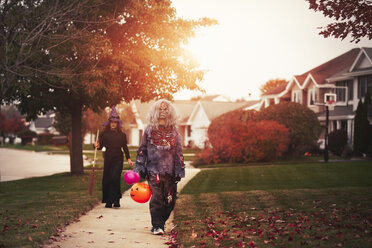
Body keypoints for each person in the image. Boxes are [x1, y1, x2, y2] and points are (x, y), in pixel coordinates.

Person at [133, 99, 185, 235]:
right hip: (153, 171)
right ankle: (157, 225)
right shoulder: (149, 130)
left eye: (165, 110)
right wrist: (140, 166)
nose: (162, 112)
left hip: (170, 172)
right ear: (155, 112)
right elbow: (142, 149)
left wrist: (179, 170)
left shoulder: (174, 131)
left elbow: (179, 152)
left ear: (170, 113)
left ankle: (160, 222)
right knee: (156, 198)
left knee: (170, 200)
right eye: (160, 110)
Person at [95, 106, 133, 208]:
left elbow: (124, 147)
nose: (113, 124)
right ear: (109, 123)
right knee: (108, 179)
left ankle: (116, 200)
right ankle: (109, 200)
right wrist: (97, 146)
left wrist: (128, 159)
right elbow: (100, 147)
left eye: (115, 122)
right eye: (112, 122)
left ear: (118, 124)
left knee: (115, 178)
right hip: (108, 159)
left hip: (118, 159)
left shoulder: (122, 135)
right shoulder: (104, 134)